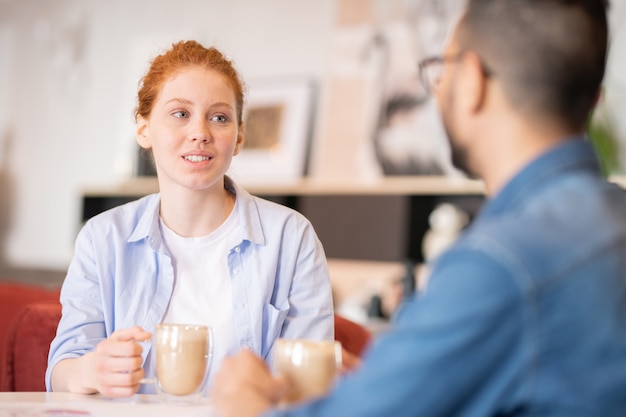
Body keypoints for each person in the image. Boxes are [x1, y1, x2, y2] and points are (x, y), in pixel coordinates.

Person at [211, 1, 626, 416]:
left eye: (441, 68)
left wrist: (248, 406)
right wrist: (397, 380)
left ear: (471, 83)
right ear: (592, 99)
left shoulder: (501, 264)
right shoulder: (608, 219)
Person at [45, 40, 334, 398]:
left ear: (239, 135)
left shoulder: (292, 238)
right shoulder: (102, 238)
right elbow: (62, 369)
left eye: (219, 117)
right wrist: (90, 370)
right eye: (180, 114)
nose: (200, 132)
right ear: (144, 129)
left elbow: (310, 387)